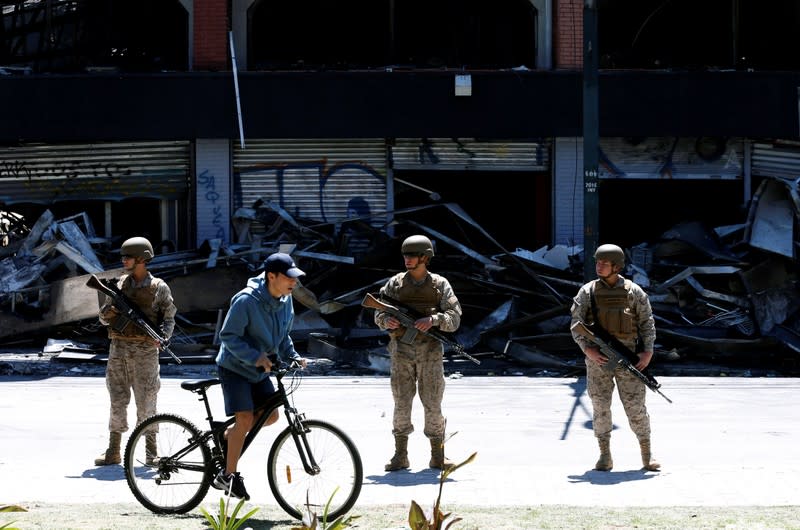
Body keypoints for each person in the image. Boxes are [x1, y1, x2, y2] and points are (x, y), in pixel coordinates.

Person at [213, 252, 308, 500]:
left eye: (295, 279)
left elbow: (283, 336)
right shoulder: (246, 301)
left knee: (272, 415)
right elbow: (228, 336)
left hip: (259, 368)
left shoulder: (286, 300)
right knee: (244, 418)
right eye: (289, 278)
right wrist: (255, 357)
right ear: (271, 276)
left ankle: (228, 436)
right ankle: (228, 475)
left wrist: (293, 356)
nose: (293, 283)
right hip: (235, 367)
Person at [373, 234, 462, 472]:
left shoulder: (439, 285)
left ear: (425, 257)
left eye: (412, 256)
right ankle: (400, 455)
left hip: (430, 352)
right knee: (401, 402)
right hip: (401, 350)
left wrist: (433, 320)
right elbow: (378, 312)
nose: (407, 260)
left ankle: (437, 455)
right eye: (405, 255)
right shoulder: (395, 284)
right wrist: (387, 321)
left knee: (432, 402)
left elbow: (455, 318)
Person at [570, 243, 660, 472]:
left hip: (629, 359)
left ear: (617, 267)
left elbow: (646, 323)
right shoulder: (587, 292)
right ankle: (604, 456)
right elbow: (575, 325)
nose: (599, 266)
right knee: (600, 407)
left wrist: (647, 351)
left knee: (635, 407)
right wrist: (587, 349)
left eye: (604, 263)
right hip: (598, 360)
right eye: (597, 262)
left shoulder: (634, 292)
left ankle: (647, 456)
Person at [95, 236, 177, 466]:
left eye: (128, 257)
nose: (124, 260)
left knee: (147, 401)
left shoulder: (159, 287)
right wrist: (110, 311)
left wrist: (163, 339)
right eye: (123, 257)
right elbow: (102, 318)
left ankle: (151, 453)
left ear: (142, 259)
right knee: (117, 399)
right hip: (119, 349)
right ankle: (113, 450)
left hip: (145, 351)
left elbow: (169, 318)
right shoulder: (120, 285)